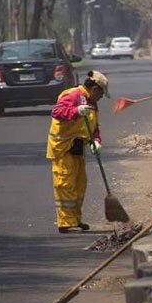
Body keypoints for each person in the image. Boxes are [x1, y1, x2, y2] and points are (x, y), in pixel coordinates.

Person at [46, 71, 109, 233]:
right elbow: (57, 112)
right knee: (65, 184)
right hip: (63, 147)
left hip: (78, 147)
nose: (101, 98)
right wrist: (75, 111)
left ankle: (75, 219)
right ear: (95, 89)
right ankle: (65, 222)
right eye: (101, 94)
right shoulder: (73, 95)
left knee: (80, 184)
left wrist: (96, 141)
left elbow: (94, 126)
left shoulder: (92, 103)